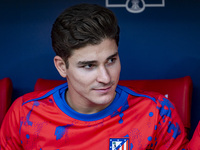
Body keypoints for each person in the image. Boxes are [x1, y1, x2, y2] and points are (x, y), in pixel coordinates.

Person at [0, 3, 193, 150]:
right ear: (61, 66)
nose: (106, 78)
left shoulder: (157, 112)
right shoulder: (24, 114)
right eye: (89, 66)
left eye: (111, 60)